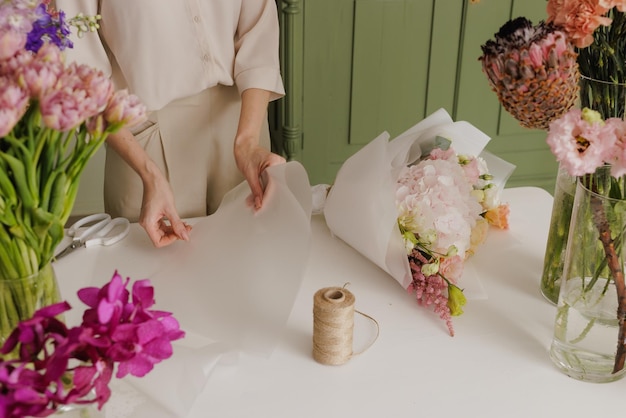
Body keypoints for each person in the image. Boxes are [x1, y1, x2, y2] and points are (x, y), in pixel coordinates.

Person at [57, 0, 286, 247]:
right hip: (145, 142)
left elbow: (259, 31)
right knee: (155, 273)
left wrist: (248, 141)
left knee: (251, 258)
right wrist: (149, 175)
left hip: (242, 124)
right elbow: (81, 74)